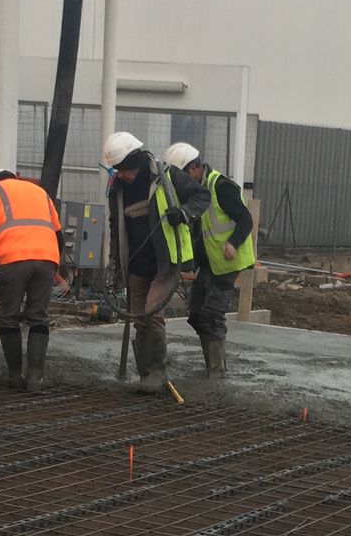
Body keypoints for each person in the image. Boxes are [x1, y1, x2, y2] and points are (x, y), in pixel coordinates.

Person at [102, 131, 196, 394]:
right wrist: (115, 262)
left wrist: (184, 213)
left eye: (123, 169)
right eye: (117, 169)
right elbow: (115, 224)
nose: (120, 174)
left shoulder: (166, 176)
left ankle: (156, 373)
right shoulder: (118, 188)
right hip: (136, 264)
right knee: (139, 318)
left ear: (137, 161)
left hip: (165, 262)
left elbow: (200, 197)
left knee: (152, 313)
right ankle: (145, 375)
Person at [161, 141, 254, 377]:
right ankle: (212, 364)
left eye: (182, 175)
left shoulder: (221, 186)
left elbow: (245, 219)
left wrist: (232, 243)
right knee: (196, 315)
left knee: (212, 315)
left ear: (193, 168)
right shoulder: (194, 193)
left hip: (228, 263)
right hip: (210, 264)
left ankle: (216, 371)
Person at [0, 167, 64, 393]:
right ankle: (35, 378)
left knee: (9, 317)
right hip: (47, 260)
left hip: (13, 260)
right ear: (14, 178)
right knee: (38, 318)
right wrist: (52, 265)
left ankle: (14, 376)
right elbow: (59, 236)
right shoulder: (40, 192)